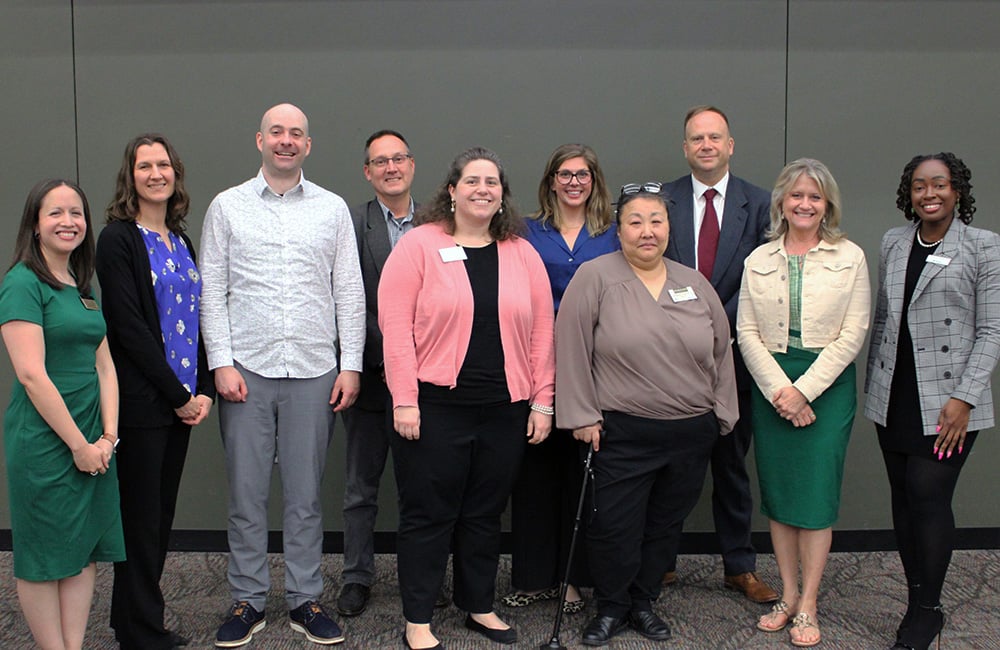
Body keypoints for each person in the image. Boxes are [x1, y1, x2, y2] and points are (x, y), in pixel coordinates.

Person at [199, 103, 365, 648]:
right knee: (246, 494)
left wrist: (352, 365)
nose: (286, 141)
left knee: (305, 495)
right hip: (245, 369)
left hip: (316, 370)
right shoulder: (227, 207)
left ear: (308, 145)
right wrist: (220, 361)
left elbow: (349, 292)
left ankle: (303, 598)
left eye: (296, 133)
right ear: (260, 140)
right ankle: (247, 600)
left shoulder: (332, 209)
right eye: (277, 132)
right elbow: (212, 291)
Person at [378, 147, 555, 649]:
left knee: (484, 511)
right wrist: (404, 400)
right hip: (434, 408)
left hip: (505, 407)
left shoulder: (521, 251)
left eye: (492, 182)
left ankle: (478, 604)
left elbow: (544, 331)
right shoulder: (418, 246)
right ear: (451, 190)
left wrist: (542, 400)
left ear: (503, 195)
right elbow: (394, 329)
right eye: (472, 181)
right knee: (428, 514)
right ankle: (417, 618)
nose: (483, 189)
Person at [556, 186, 738, 646]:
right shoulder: (595, 278)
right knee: (614, 524)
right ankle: (611, 606)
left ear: (669, 228)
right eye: (635, 221)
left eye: (656, 221)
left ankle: (642, 601)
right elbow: (571, 347)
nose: (647, 231)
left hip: (689, 432)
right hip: (620, 431)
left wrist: (721, 414)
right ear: (618, 230)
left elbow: (721, 352)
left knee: (664, 524)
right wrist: (582, 414)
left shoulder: (693, 282)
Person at [865, 153, 1000, 650]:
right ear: (910, 193)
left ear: (957, 190)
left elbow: (992, 330)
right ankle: (914, 593)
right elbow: (885, 318)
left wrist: (964, 398)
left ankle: (928, 609)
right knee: (902, 498)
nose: (929, 194)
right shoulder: (894, 242)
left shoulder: (985, 246)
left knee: (929, 496)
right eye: (919, 186)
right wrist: (873, 390)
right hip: (895, 392)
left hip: (948, 399)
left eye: (939, 184)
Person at [738, 159, 870, 648]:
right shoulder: (759, 259)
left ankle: (809, 602)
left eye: (815, 197)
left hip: (826, 386)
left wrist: (804, 392)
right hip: (772, 383)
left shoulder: (850, 256)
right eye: (796, 196)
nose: (805, 204)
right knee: (779, 493)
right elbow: (746, 332)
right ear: (782, 202)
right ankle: (787, 595)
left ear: (827, 204)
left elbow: (853, 333)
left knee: (814, 497)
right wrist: (780, 391)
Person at [96, 134, 215, 650]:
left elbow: (195, 318)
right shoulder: (118, 239)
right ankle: (141, 629)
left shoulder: (180, 240)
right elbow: (128, 327)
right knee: (141, 520)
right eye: (144, 166)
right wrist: (175, 393)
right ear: (131, 176)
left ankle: (133, 620)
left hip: (181, 402)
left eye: (163, 164)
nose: (155, 173)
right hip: (146, 403)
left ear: (175, 173)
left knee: (159, 516)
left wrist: (204, 387)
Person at [0, 179, 125, 650]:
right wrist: (78, 445)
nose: (68, 222)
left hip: (93, 438)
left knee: (83, 548)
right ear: (35, 224)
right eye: (55, 213)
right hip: (47, 440)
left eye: (76, 213)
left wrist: (107, 437)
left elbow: (106, 366)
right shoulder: (21, 284)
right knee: (44, 554)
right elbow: (31, 376)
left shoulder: (80, 286)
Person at [659, 105, 777, 603]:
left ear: (730, 145)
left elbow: (763, 277)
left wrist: (719, 325)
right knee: (668, 467)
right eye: (696, 139)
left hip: (736, 358)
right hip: (670, 358)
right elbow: (648, 267)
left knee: (731, 466)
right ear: (685, 148)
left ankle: (739, 566)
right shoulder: (660, 201)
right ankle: (659, 561)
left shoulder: (762, 203)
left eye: (715, 137)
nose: (706, 145)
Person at [338, 129, 451, 616]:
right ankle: (357, 576)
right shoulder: (352, 222)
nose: (390, 167)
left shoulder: (441, 225)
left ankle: (419, 578)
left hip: (427, 382)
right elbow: (345, 298)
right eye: (379, 161)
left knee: (421, 489)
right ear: (368, 172)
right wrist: (394, 343)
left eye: (398, 158)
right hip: (369, 373)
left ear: (412, 165)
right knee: (361, 487)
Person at [504, 143, 618, 614]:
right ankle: (534, 577)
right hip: (535, 361)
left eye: (583, 174)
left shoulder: (613, 232)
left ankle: (571, 580)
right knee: (533, 474)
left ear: (595, 180)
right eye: (565, 174)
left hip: (596, 365)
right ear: (551, 180)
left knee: (582, 475)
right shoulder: (525, 231)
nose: (574, 182)